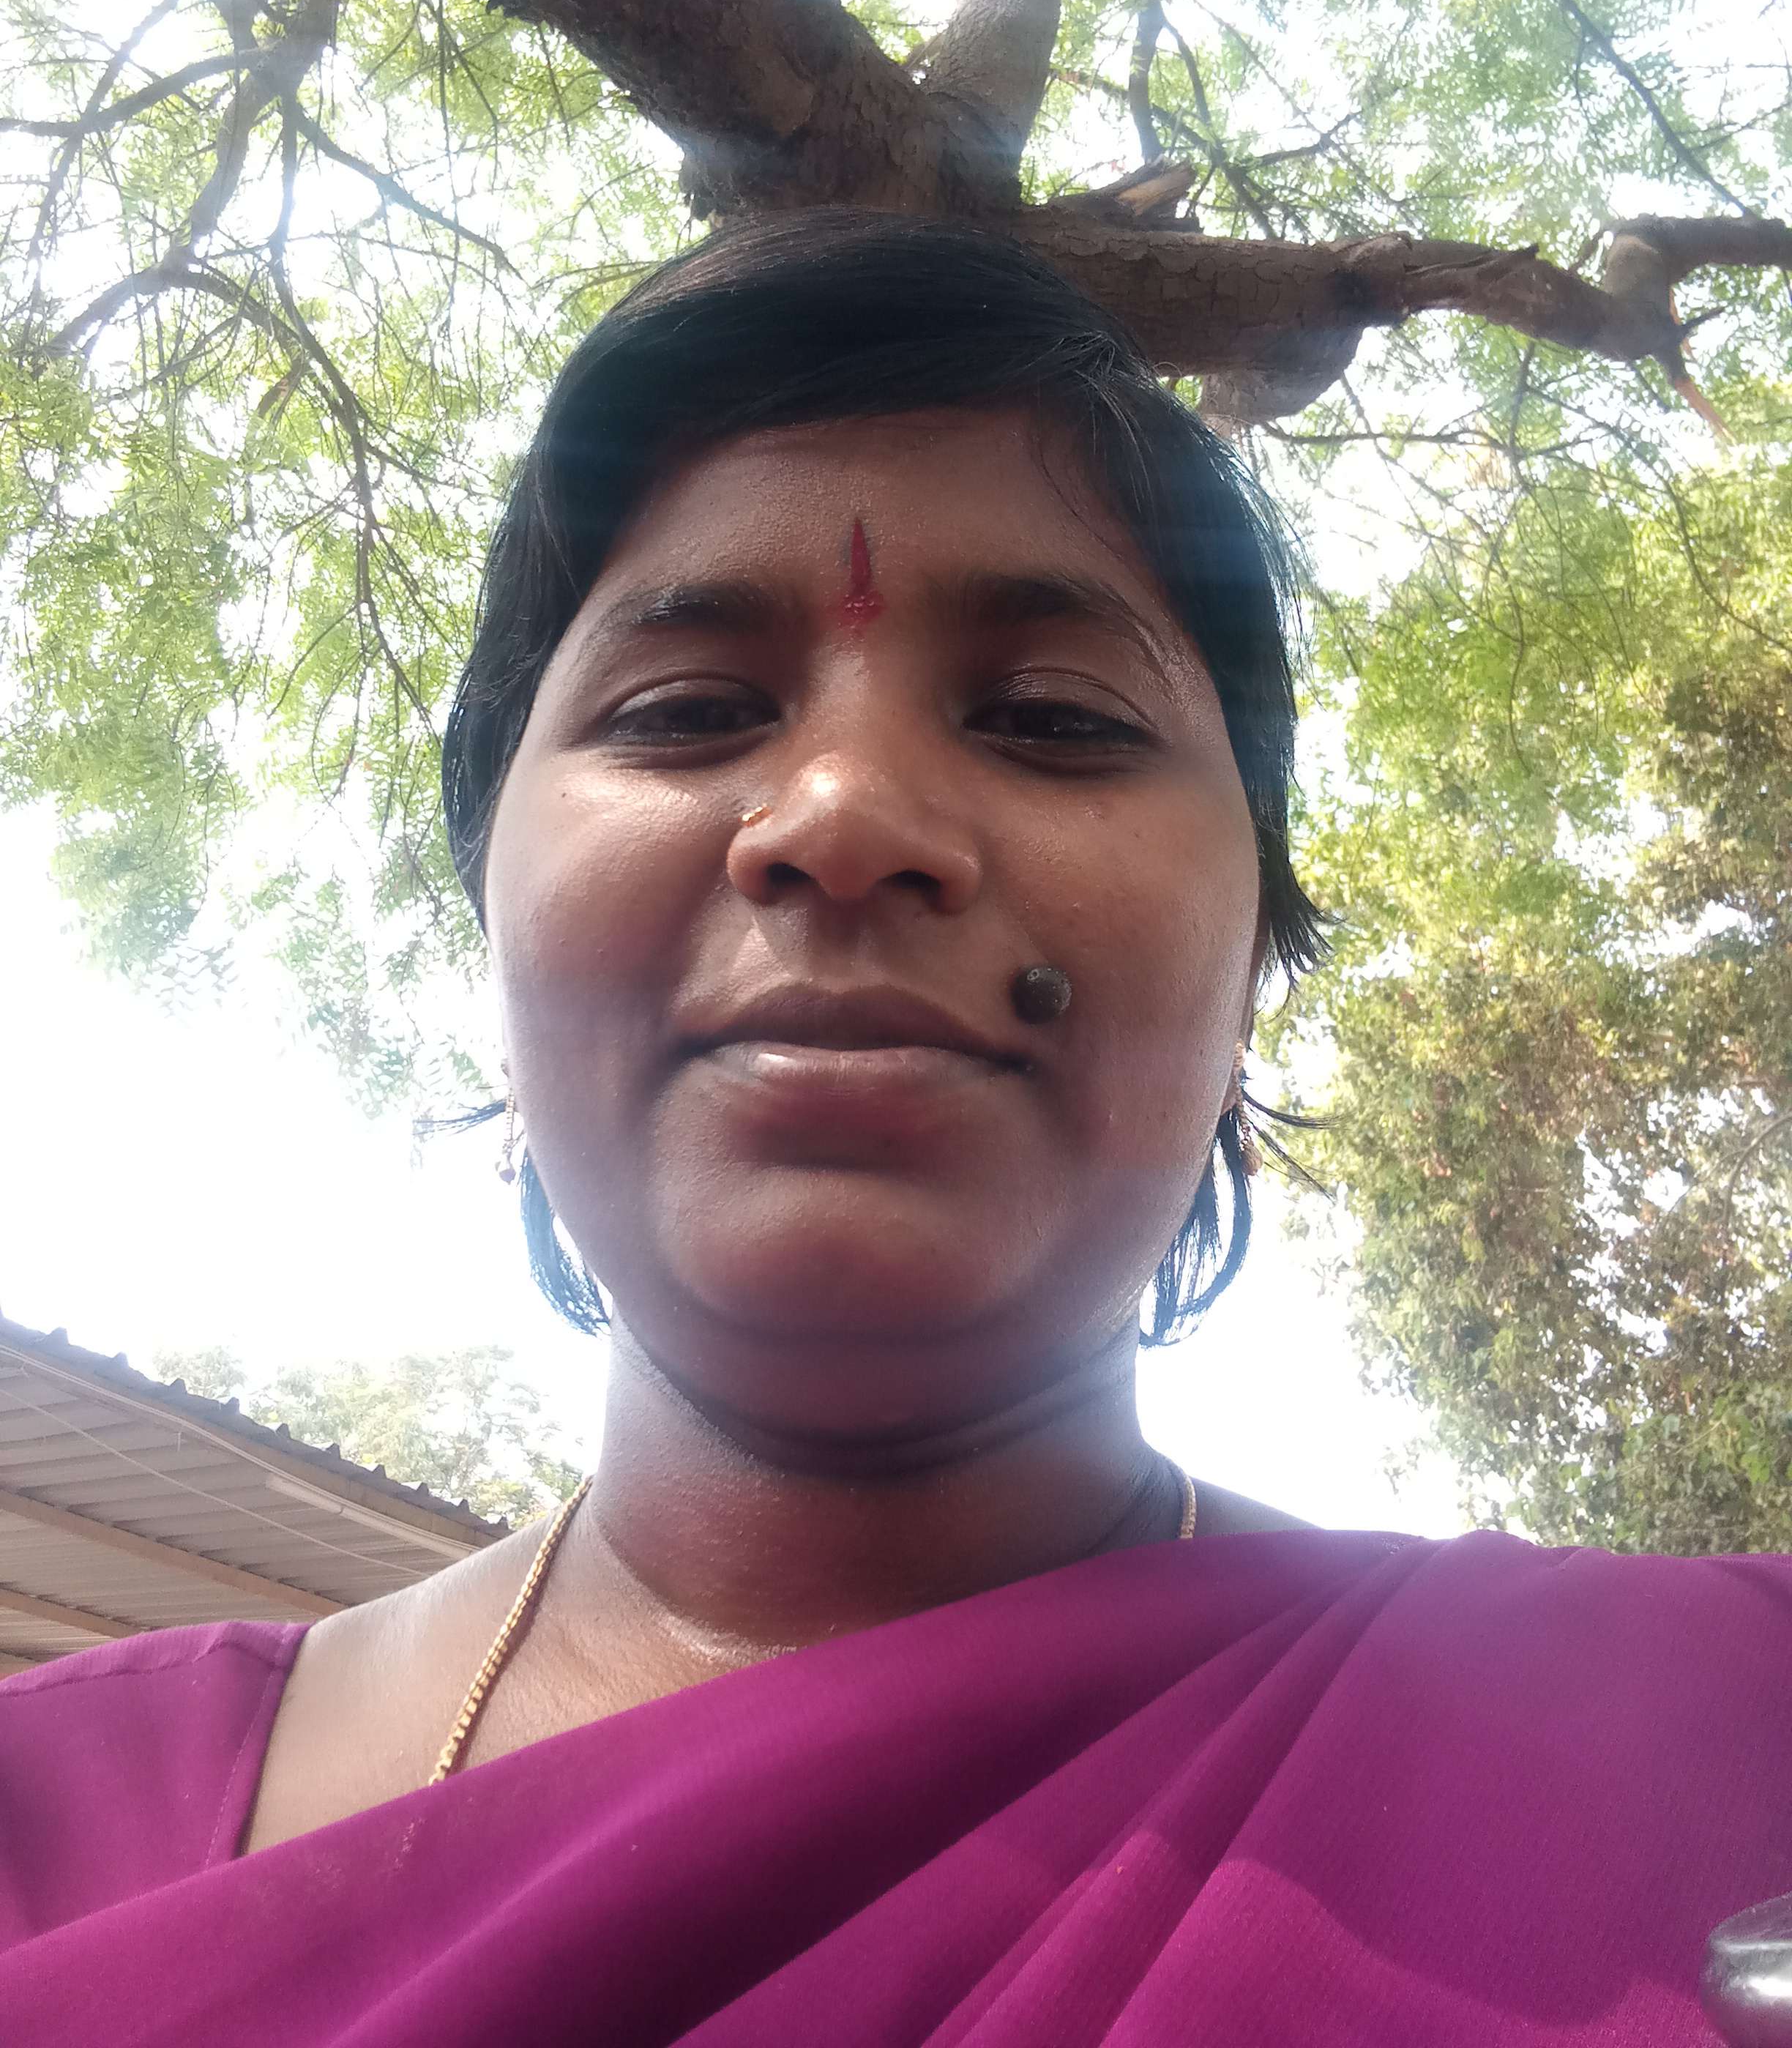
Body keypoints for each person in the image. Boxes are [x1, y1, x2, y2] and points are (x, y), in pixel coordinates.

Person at [2, 211, 1788, 2047]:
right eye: (688, 712)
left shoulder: (1723, 1740)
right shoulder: (48, 1827)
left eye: (1054, 720)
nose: (844, 816)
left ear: (1254, 958)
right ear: (499, 927)